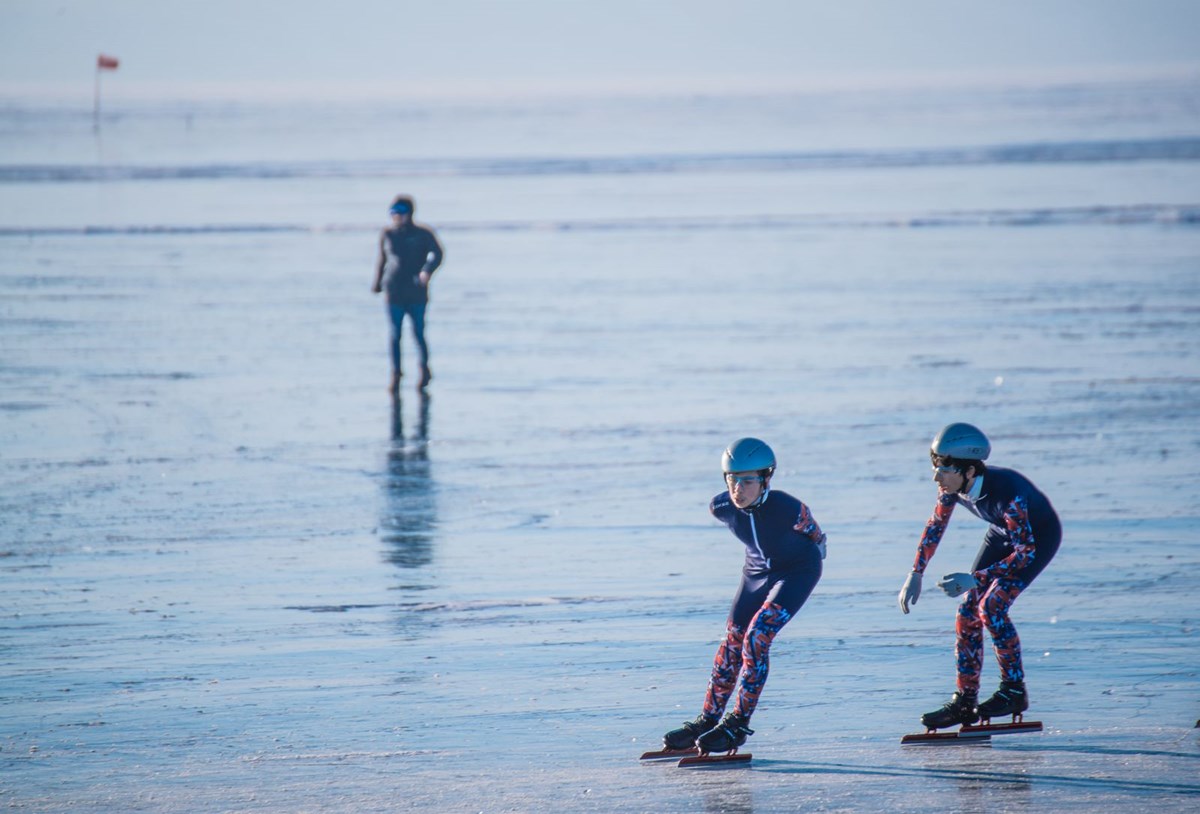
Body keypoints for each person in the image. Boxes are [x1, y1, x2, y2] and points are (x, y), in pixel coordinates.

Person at [661, 438, 827, 755]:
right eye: (732, 479)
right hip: (756, 572)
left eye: (748, 480)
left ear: (765, 479)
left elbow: (815, 534)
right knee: (732, 643)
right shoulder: (721, 507)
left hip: (797, 570)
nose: (738, 489)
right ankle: (708, 720)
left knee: (757, 637)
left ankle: (737, 724)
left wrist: (819, 547)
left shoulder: (787, 507)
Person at [898, 422, 1061, 729]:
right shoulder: (952, 485)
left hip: (1036, 540)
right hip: (1002, 534)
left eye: (944, 470)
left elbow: (1024, 554)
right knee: (967, 612)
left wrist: (975, 578)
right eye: (935, 467)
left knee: (992, 607)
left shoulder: (1009, 494)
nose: (936, 477)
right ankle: (965, 701)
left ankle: (1014, 691)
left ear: (970, 471)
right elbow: (936, 526)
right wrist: (915, 572)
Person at [372, 195, 444, 393]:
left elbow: (438, 253)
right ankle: (396, 374)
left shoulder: (422, 233)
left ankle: (424, 370)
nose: (396, 216)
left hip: (416, 292)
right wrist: (377, 283)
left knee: (418, 333)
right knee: (395, 334)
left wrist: (427, 271)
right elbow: (382, 260)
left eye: (401, 212)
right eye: (393, 212)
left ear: (410, 213)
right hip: (393, 290)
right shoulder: (387, 234)